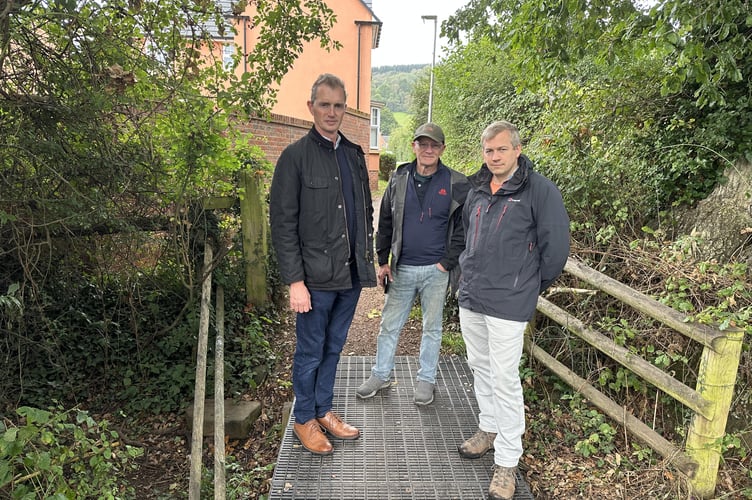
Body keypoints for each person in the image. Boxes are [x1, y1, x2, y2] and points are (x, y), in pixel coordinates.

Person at [457, 120, 569, 499]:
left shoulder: (539, 191)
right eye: (488, 150)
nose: (494, 157)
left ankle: (507, 460)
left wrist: (529, 286)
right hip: (472, 296)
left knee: (504, 377)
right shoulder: (476, 189)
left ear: (517, 150)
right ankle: (489, 428)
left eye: (501, 149)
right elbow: (464, 236)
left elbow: (556, 251)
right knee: (479, 367)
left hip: (509, 303)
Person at [269, 73, 377, 455]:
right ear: (311, 106)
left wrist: (368, 263)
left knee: (334, 347)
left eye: (338, 105)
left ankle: (323, 409)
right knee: (310, 349)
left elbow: (363, 213)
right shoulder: (294, 158)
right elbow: (282, 224)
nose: (332, 112)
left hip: (348, 276)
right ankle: (303, 419)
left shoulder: (352, 154)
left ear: (344, 108)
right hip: (313, 279)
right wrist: (294, 281)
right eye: (325, 104)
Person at [356, 123, 469, 405]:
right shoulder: (399, 178)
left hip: (436, 271)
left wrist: (446, 262)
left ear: (442, 149)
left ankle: (426, 380)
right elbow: (385, 221)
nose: (428, 149)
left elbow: (463, 229)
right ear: (414, 146)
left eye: (434, 145)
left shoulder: (456, 182)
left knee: (432, 328)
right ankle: (381, 375)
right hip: (402, 268)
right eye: (423, 144)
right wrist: (383, 260)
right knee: (389, 325)